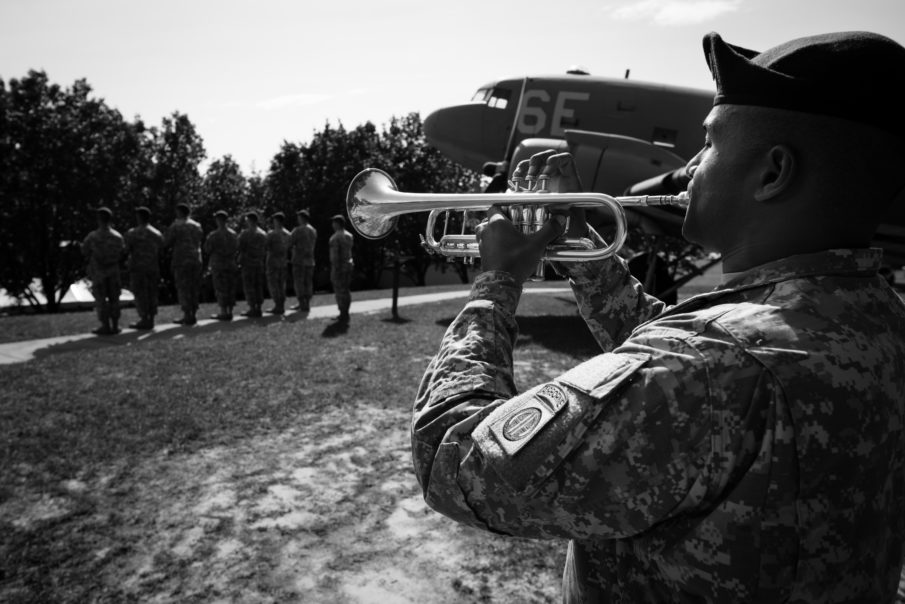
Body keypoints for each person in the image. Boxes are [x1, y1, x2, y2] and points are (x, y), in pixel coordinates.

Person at [411, 31, 905, 602]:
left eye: (710, 145)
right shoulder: (874, 320)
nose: (690, 168)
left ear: (772, 173)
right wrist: (588, 256)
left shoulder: (708, 367)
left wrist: (495, 285)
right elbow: (679, 352)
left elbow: (452, 457)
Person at [81, 206, 125, 335]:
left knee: (101, 300)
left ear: (99, 219)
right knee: (114, 299)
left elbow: (84, 251)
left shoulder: (93, 236)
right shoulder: (117, 236)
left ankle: (105, 326)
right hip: (113, 272)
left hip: (99, 273)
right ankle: (115, 326)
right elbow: (122, 252)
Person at [163, 203, 203, 325]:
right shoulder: (196, 225)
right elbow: (199, 239)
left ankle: (187, 314)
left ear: (179, 212)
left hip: (181, 259)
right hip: (195, 259)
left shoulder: (176, 225)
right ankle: (194, 313)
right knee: (194, 287)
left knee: (183, 287)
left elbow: (167, 242)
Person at [123, 206, 163, 330]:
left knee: (140, 293)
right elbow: (162, 248)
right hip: (152, 267)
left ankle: (144, 318)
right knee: (152, 293)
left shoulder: (132, 233)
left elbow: (126, 250)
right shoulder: (156, 233)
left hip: (138, 268)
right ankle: (151, 318)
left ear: (139, 217)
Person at [204, 210, 239, 320]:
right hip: (230, 264)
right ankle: (230, 311)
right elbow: (237, 248)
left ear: (218, 220)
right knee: (230, 287)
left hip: (218, 265)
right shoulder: (233, 234)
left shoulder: (213, 235)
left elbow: (207, 249)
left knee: (220, 288)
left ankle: (223, 312)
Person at [238, 211, 267, 318]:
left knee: (249, 286)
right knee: (258, 286)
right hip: (259, 263)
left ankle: (252, 308)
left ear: (250, 220)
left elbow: (240, 247)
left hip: (248, 264)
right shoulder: (263, 234)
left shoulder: (245, 234)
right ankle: (259, 308)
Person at [290, 209, 318, 312]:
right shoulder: (313, 230)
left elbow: (290, 242)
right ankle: (306, 303)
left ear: (302, 218)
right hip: (310, 261)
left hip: (299, 261)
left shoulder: (298, 230)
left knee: (299, 283)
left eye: (298, 217)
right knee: (308, 283)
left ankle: (302, 304)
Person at [328, 214, 354, 323]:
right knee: (346, 290)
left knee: (339, 291)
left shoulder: (335, 237)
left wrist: (336, 269)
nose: (332, 224)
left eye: (333, 222)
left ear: (337, 223)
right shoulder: (349, 235)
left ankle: (342, 313)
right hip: (348, 266)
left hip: (339, 267)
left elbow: (335, 256)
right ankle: (345, 313)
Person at [265, 211, 291, 315]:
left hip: (272, 263)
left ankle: (277, 306)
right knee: (282, 285)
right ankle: (282, 306)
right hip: (283, 262)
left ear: (277, 221)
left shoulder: (272, 234)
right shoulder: (288, 234)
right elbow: (289, 247)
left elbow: (266, 247)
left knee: (274, 285)